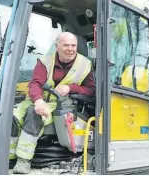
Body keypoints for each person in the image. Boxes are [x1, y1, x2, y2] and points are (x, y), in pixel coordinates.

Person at [9, 32, 95, 174]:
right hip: (36, 99)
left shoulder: (85, 64)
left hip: (59, 105)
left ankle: (23, 160)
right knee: (11, 116)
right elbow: (35, 83)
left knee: (34, 114)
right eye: (66, 45)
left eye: (73, 45)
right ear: (57, 46)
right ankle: (8, 156)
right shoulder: (45, 61)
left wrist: (70, 88)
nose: (70, 49)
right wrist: (38, 100)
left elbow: (91, 90)